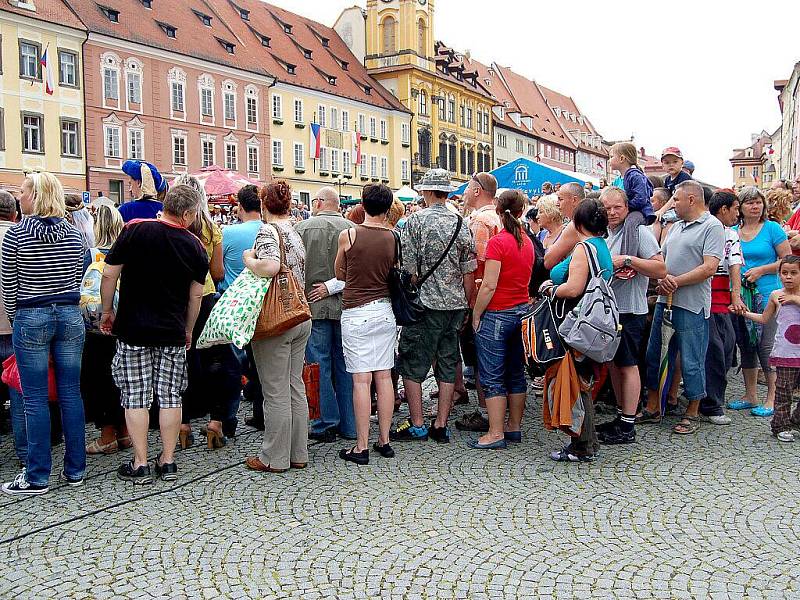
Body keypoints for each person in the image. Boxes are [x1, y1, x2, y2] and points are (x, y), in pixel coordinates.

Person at [102, 184, 208, 484]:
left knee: (135, 396)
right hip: (171, 330)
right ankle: (169, 460)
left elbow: (110, 273)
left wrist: (108, 310)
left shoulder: (135, 231)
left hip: (133, 328)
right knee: (170, 396)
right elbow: (196, 297)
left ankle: (140, 463)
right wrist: (188, 330)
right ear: (187, 214)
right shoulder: (195, 246)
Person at [1, 173, 87, 495]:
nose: (18, 196)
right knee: (71, 393)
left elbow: (9, 284)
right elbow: (78, 275)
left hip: (31, 313)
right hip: (68, 313)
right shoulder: (74, 234)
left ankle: (37, 475)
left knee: (34, 398)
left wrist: (17, 317)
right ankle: (76, 469)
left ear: (35, 196)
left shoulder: (17, 235)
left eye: (22, 191)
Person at [392, 169, 477, 444]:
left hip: (424, 306)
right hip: (455, 306)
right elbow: (469, 271)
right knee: (448, 362)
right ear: (447, 192)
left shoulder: (415, 222)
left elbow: (408, 270)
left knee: (413, 363)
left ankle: (417, 423)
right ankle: (441, 424)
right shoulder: (460, 222)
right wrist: (466, 306)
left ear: (427, 192)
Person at [640, 181, 724, 432]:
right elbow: (661, 260)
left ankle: (693, 411)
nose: (672, 203)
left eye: (676, 199)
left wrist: (674, 281)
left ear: (691, 199)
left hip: (692, 305)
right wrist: (660, 278)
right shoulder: (675, 228)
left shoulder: (712, 226)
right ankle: (654, 406)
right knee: (655, 354)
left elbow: (709, 267)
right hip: (666, 301)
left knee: (691, 359)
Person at [244, 181, 312, 474]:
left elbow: (270, 266)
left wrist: (249, 260)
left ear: (263, 205)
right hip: (300, 314)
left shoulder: (267, 230)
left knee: (275, 391)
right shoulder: (295, 231)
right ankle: (298, 452)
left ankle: (274, 457)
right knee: (294, 385)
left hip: (277, 319)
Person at [545, 199, 613, 462]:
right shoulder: (601, 246)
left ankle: (581, 443)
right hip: (592, 321)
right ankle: (587, 440)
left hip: (577, 320)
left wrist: (551, 289)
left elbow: (574, 288)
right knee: (583, 379)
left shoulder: (584, 248)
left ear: (578, 222)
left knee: (575, 380)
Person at [597, 187, 665, 445]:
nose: (612, 213)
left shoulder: (638, 232)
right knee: (615, 364)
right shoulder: (608, 233)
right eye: (607, 208)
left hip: (630, 310)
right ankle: (621, 415)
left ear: (627, 207)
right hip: (611, 310)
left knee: (627, 365)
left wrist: (627, 260)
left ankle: (628, 422)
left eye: (618, 207)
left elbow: (660, 268)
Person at [334, 184, 396, 464]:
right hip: (384, 310)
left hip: (356, 312)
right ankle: (384, 439)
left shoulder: (348, 235)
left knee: (361, 379)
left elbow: (339, 273)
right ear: (387, 207)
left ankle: (361, 446)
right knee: (384, 377)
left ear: (363, 204)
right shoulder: (394, 237)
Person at [468, 190, 534, 449]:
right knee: (516, 373)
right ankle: (514, 427)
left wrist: (476, 313)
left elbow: (489, 285)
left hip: (497, 313)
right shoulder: (525, 241)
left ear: (498, 209)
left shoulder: (499, 242)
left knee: (492, 374)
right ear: (521, 212)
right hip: (520, 311)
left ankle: (495, 433)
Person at [172, 174, 232, 449]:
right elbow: (218, 272)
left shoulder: (171, 227)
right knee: (214, 359)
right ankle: (215, 422)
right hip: (206, 296)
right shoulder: (210, 228)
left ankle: (182, 424)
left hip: (176, 299)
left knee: (181, 360)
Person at [295, 187, 355, 443]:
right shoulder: (353, 228)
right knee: (346, 364)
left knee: (318, 364)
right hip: (347, 306)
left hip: (314, 305)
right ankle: (350, 423)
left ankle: (324, 422)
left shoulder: (303, 228)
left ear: (318, 202)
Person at [730, 186, 790, 417]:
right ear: (741, 207)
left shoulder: (772, 228)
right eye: (749, 203)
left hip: (768, 293)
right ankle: (750, 394)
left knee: (766, 345)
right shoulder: (733, 231)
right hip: (742, 294)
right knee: (746, 344)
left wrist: (762, 270)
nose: (755, 206)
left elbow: (787, 260)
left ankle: (772, 397)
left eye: (758, 202)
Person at [82, 205, 131, 455]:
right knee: (123, 379)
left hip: (96, 329)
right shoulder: (129, 251)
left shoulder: (90, 255)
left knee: (99, 380)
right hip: (124, 326)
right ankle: (124, 431)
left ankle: (107, 434)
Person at [455, 172, 500, 433]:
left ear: (476, 191)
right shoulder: (497, 217)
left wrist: (470, 302)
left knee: (482, 359)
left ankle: (486, 412)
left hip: (481, 297)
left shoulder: (480, 221)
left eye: (467, 188)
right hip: (497, 296)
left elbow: (476, 265)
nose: (463, 192)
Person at [738, 255, 800, 440]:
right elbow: (764, 319)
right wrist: (744, 313)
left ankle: (796, 421)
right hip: (785, 354)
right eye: (784, 273)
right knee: (783, 391)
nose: (788, 277)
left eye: (794, 273)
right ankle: (780, 426)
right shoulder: (775, 295)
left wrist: (796, 300)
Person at [220, 185, 264, 431]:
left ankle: (228, 418)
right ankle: (261, 413)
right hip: (261, 301)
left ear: (240, 206)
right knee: (261, 361)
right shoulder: (270, 231)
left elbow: (218, 269)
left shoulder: (229, 232)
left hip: (234, 303)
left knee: (233, 362)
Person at [698, 190, 744, 425]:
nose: (738, 213)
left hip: (722, 296)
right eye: (735, 208)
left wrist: (736, 295)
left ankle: (711, 396)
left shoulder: (732, 234)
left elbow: (735, 264)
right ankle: (710, 403)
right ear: (724, 209)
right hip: (702, 293)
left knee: (726, 348)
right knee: (714, 349)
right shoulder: (704, 227)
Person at [0, 191, 26, 466]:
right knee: (20, 393)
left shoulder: (18, 238)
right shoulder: (21, 237)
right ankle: (25, 454)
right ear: (14, 213)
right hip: (18, 326)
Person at [607, 143, 655, 279]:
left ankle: (627, 262)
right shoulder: (619, 179)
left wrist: (626, 208)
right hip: (630, 209)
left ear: (622, 158)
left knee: (630, 224)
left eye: (611, 157)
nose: (609, 160)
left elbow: (641, 198)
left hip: (639, 211)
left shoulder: (634, 175)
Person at [543, 182, 585, 270]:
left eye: (560, 199)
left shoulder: (576, 225)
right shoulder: (584, 220)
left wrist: (551, 248)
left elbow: (548, 262)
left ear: (574, 200)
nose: (557, 203)